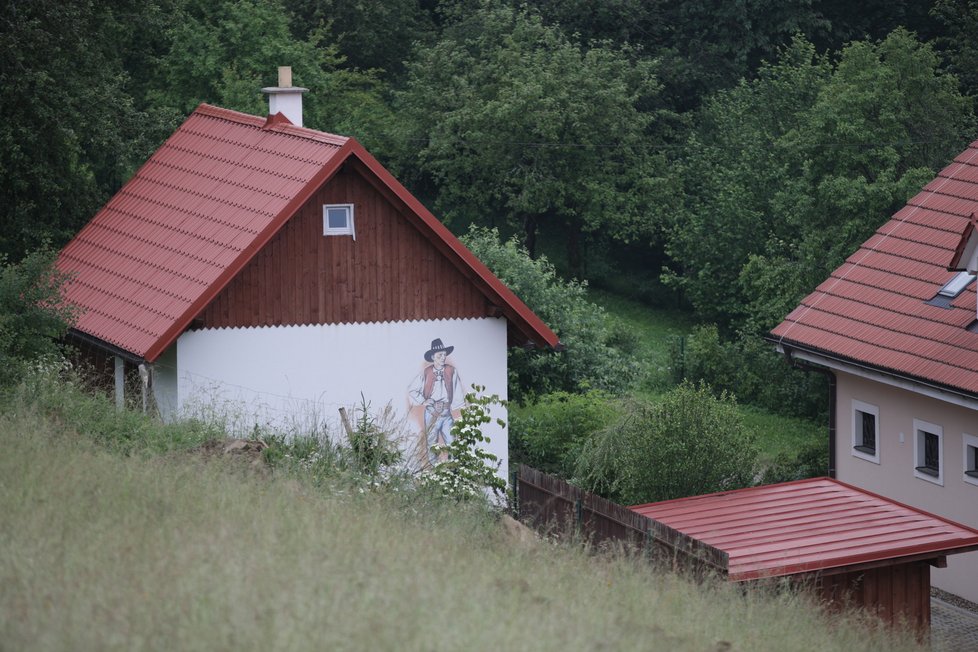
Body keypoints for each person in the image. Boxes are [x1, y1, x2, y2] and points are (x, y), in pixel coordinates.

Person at [408, 338, 464, 468]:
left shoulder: (451, 371)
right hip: (431, 412)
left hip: (446, 413)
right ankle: (434, 471)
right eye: (440, 355)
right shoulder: (426, 372)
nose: (443, 358)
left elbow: (457, 391)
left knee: (452, 443)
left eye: (444, 355)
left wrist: (455, 407)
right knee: (432, 445)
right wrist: (424, 401)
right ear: (433, 357)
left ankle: (452, 470)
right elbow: (412, 389)